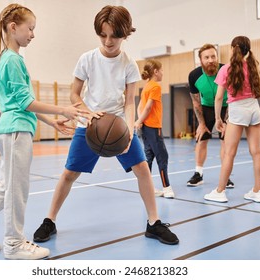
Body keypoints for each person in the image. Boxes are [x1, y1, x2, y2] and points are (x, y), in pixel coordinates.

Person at [33, 5, 179, 245]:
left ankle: (153, 223)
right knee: (69, 173)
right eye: (103, 35)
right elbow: (74, 95)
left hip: (118, 126)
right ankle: (49, 220)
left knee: (142, 168)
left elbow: (130, 100)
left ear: (125, 34)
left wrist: (131, 127)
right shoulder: (87, 59)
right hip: (89, 125)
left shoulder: (129, 63)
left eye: (114, 35)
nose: (108, 41)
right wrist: (89, 114)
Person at [0, 3, 88, 260]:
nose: (33, 34)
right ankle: (14, 243)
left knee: (6, 185)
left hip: (12, 130)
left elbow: (21, 101)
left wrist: (51, 122)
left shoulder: (8, 59)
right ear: (13, 27)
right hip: (16, 132)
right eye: (30, 29)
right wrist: (62, 110)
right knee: (17, 189)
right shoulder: (13, 60)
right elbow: (26, 103)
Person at [204, 35, 260, 203]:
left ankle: (220, 191)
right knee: (256, 152)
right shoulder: (253, 68)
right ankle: (257, 191)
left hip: (237, 111)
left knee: (229, 153)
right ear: (247, 50)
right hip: (254, 109)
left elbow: (218, 97)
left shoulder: (226, 69)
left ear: (232, 48)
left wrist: (217, 118)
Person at [187, 44, 235, 188]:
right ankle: (198, 174)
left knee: (225, 141)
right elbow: (196, 102)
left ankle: (225, 177)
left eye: (213, 56)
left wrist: (226, 120)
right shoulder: (194, 76)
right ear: (200, 60)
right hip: (206, 107)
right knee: (202, 139)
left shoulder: (227, 70)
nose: (210, 60)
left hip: (226, 106)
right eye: (206, 57)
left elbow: (233, 96)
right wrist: (201, 124)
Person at [135, 59, 175, 199]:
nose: (163, 73)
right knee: (162, 157)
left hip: (146, 128)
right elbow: (148, 107)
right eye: (162, 70)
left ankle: (149, 188)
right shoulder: (155, 87)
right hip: (153, 127)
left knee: (149, 157)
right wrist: (140, 120)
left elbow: (140, 107)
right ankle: (167, 188)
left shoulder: (146, 87)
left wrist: (140, 121)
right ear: (156, 72)